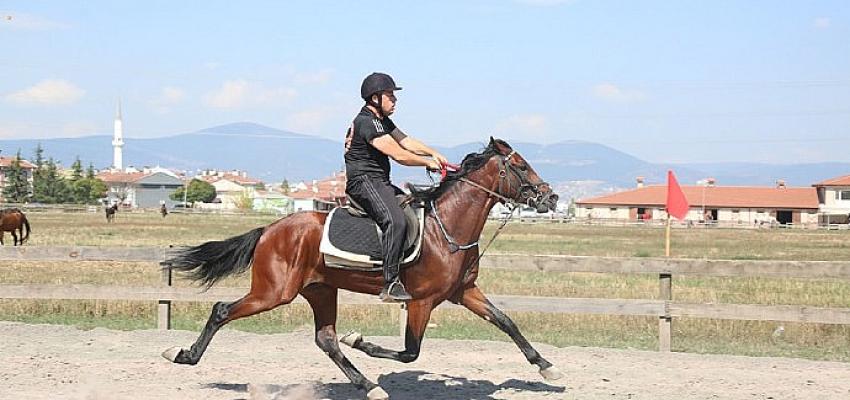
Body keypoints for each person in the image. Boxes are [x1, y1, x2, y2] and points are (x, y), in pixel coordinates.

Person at [344, 72, 447, 302]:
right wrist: (426, 162)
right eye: (390, 95)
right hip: (364, 181)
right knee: (396, 220)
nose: (394, 99)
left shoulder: (381, 121)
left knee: (414, 210)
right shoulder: (367, 122)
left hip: (379, 182)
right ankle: (390, 283)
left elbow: (406, 141)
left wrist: (433, 153)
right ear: (375, 98)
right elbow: (399, 154)